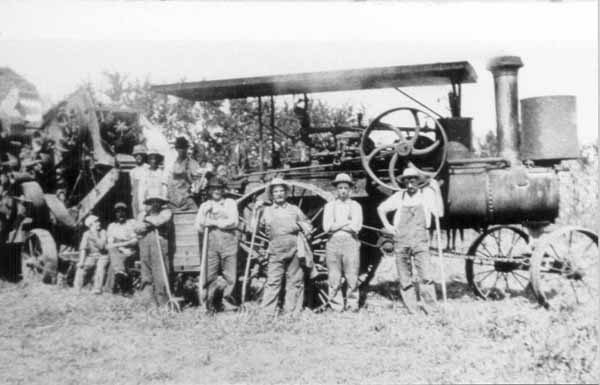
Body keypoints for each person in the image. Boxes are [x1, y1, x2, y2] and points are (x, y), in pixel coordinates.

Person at [377, 167, 441, 314]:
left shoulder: (426, 196)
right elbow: (381, 209)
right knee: (405, 278)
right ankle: (413, 309)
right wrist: (388, 226)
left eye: (413, 181)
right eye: (407, 182)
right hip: (402, 240)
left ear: (418, 181)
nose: (410, 185)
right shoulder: (399, 197)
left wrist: (437, 191)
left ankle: (431, 309)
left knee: (425, 276)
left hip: (420, 240)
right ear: (404, 182)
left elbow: (439, 212)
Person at [254, 177, 312, 315]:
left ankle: (291, 311)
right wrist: (256, 212)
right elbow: (255, 229)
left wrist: (301, 226)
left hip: (294, 248)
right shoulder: (266, 211)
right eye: (276, 191)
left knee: (295, 281)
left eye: (281, 191)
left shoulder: (294, 209)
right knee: (273, 281)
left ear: (286, 193)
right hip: (275, 249)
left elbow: (309, 226)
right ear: (272, 194)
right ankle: (268, 312)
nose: (279, 194)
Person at [194, 177, 239, 312]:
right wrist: (204, 214)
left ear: (223, 190)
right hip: (211, 242)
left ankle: (227, 301)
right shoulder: (205, 205)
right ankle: (209, 303)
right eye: (213, 189)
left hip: (228, 241)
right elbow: (198, 226)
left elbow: (233, 221)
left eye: (219, 188)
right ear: (209, 191)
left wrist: (215, 221)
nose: (216, 191)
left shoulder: (230, 203)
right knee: (209, 273)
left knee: (230, 274)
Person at [322, 173, 363, 312]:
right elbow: (327, 227)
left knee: (352, 275)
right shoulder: (329, 206)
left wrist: (337, 224)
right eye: (340, 188)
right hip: (333, 242)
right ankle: (336, 306)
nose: (343, 191)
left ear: (350, 189)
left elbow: (356, 227)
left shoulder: (356, 206)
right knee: (334, 276)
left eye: (346, 187)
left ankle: (352, 305)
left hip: (350, 242)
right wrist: (346, 222)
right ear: (336, 190)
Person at [135, 187, 173, 306]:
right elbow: (137, 229)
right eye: (152, 201)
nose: (155, 203)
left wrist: (146, 222)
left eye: (157, 201)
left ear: (161, 202)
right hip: (145, 245)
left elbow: (159, 221)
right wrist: (149, 223)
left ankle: (163, 304)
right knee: (146, 274)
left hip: (159, 244)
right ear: (149, 202)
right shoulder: (142, 214)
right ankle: (149, 303)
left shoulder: (166, 212)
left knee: (160, 275)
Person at [106, 202, 138, 295]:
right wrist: (119, 247)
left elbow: (135, 241)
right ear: (115, 214)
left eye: (122, 211)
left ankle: (110, 290)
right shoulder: (112, 226)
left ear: (126, 212)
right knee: (114, 253)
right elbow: (110, 243)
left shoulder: (131, 223)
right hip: (117, 251)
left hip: (130, 251)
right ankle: (121, 275)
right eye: (118, 212)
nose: (120, 214)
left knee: (114, 261)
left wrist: (122, 245)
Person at [165, 136, 204, 211]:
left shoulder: (193, 164)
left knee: (196, 214)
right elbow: (165, 182)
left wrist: (191, 181)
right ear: (176, 149)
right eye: (179, 148)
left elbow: (198, 183)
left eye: (183, 148)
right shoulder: (171, 164)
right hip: (172, 199)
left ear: (187, 148)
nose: (181, 150)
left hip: (187, 199)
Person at [74, 215, 109, 294]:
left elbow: (102, 246)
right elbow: (83, 248)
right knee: (81, 268)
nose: (99, 223)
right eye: (96, 222)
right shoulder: (86, 234)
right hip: (91, 255)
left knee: (100, 267)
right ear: (90, 225)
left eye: (98, 221)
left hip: (103, 255)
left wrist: (95, 236)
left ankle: (97, 288)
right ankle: (77, 288)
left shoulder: (103, 232)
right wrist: (82, 261)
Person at [137, 148, 166, 215]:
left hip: (160, 204)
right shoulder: (144, 173)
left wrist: (164, 204)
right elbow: (141, 192)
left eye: (155, 158)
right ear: (148, 160)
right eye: (151, 159)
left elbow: (164, 189)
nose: (154, 161)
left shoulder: (161, 173)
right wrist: (142, 208)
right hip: (148, 204)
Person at [129, 144, 149, 218]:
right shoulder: (132, 172)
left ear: (144, 156)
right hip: (137, 200)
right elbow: (133, 189)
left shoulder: (148, 169)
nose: (138, 156)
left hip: (146, 198)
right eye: (136, 155)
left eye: (140, 154)